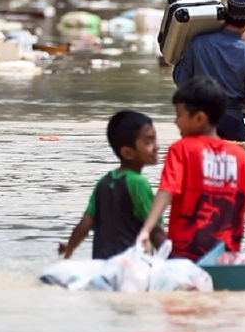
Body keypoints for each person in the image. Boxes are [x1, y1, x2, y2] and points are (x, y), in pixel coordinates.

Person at [137, 77, 245, 261]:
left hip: (184, 256)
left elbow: (166, 191)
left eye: (179, 114)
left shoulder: (181, 149)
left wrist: (146, 230)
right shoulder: (239, 156)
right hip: (224, 257)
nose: (175, 121)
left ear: (199, 118)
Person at [59, 111, 166, 259]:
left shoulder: (104, 181)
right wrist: (174, 260)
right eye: (148, 141)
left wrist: (69, 248)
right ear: (128, 152)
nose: (156, 147)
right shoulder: (138, 183)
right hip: (130, 266)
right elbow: (155, 231)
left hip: (103, 265)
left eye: (155, 140)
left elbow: (85, 224)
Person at [172, 0, 245, 142]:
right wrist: (233, 104)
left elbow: (181, 81)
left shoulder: (197, 43)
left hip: (198, 118)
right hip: (232, 122)